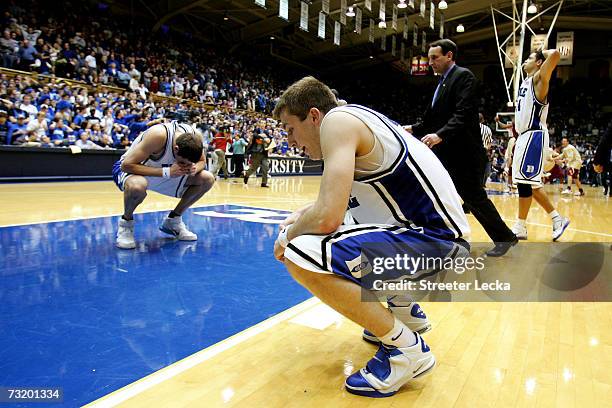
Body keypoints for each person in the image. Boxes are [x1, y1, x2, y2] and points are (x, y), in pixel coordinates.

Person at [272, 76, 471, 397]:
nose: (290, 140)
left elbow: (327, 216)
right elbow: (340, 203)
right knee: (346, 230)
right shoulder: (357, 120)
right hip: (441, 242)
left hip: (438, 246)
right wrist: (298, 216)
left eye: (290, 129)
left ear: (313, 116)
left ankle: (407, 352)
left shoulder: (337, 122)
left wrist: (285, 237)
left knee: (301, 251)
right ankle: (408, 315)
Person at [406, 39, 516, 256]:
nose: (430, 63)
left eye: (434, 58)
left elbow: (463, 114)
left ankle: (504, 237)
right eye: (429, 58)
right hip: (447, 154)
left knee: (474, 198)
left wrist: (439, 135)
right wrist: (410, 128)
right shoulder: (441, 83)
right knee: (435, 192)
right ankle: (439, 236)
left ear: (449, 56)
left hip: (464, 154)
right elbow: (431, 119)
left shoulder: (463, 76)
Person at [112, 121, 215, 249]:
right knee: (137, 186)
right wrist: (166, 172)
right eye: (183, 162)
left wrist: (194, 168)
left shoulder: (194, 137)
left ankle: (173, 220)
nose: (185, 165)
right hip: (134, 170)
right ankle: (126, 224)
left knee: (207, 178)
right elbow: (126, 165)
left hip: (166, 172)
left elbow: (201, 161)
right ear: (176, 149)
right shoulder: (158, 135)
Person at [511, 49, 570, 241]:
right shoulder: (526, 82)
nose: (525, 60)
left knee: (530, 183)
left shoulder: (539, 81)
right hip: (524, 137)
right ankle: (525, 225)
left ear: (538, 63)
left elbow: (554, 55)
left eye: (529, 58)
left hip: (533, 136)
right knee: (525, 183)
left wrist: (541, 51)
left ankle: (553, 219)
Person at [593, 121, 612, 196]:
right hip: (605, 162)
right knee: (603, 178)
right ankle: (606, 188)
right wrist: (596, 162)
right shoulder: (606, 142)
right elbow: (601, 146)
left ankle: (611, 192)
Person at [480, 113, 493, 187]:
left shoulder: (470, 127)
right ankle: (482, 184)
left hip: (473, 151)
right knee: (486, 169)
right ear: (483, 120)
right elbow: (490, 143)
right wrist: (487, 149)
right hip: (484, 151)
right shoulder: (487, 129)